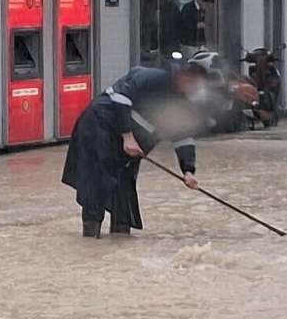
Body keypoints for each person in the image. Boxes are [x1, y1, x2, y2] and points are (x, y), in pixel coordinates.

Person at [62, 64, 224, 238]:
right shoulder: (149, 77)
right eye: (193, 83)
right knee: (97, 181)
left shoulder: (182, 103)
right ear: (183, 76)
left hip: (130, 142)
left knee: (124, 185)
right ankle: (91, 237)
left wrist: (188, 171)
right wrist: (128, 136)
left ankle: (120, 237)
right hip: (100, 126)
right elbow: (121, 98)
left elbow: (183, 137)